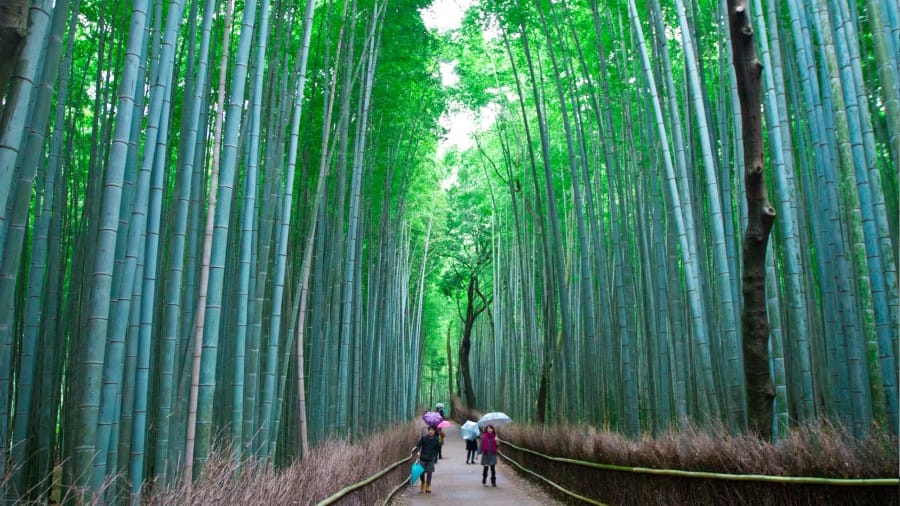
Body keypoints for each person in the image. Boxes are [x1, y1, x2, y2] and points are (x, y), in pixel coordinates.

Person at [413, 425, 441, 493]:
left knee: (429, 472)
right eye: (430, 430)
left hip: (431, 458)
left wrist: (435, 456)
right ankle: (423, 482)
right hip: (423, 457)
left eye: (432, 430)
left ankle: (428, 486)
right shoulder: (424, 438)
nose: (431, 431)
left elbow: (437, 449)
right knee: (421, 472)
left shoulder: (436, 439)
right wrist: (418, 451)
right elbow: (418, 445)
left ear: (435, 431)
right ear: (428, 431)